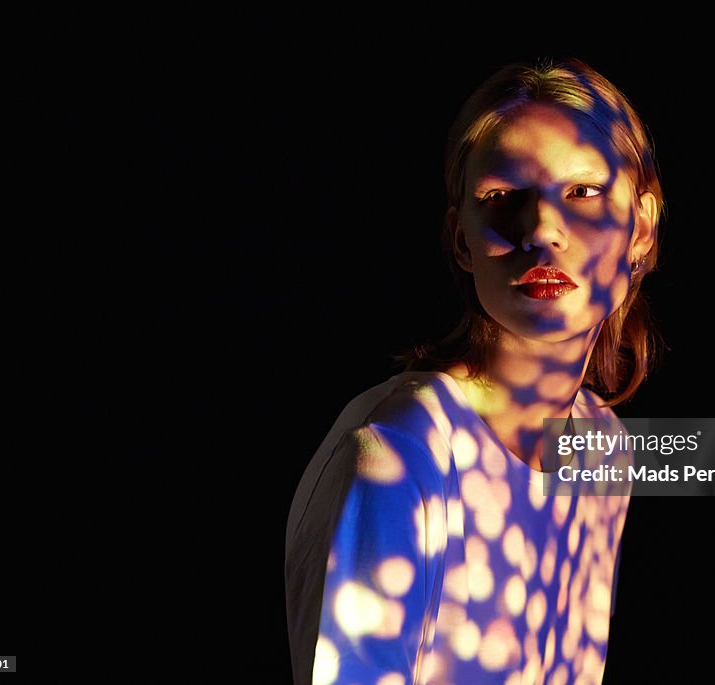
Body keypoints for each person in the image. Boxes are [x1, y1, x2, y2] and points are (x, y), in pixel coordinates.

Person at [285, 57, 664, 685]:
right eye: (502, 197)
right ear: (462, 239)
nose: (542, 229)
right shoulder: (399, 451)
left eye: (583, 191)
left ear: (641, 230)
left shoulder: (605, 448)